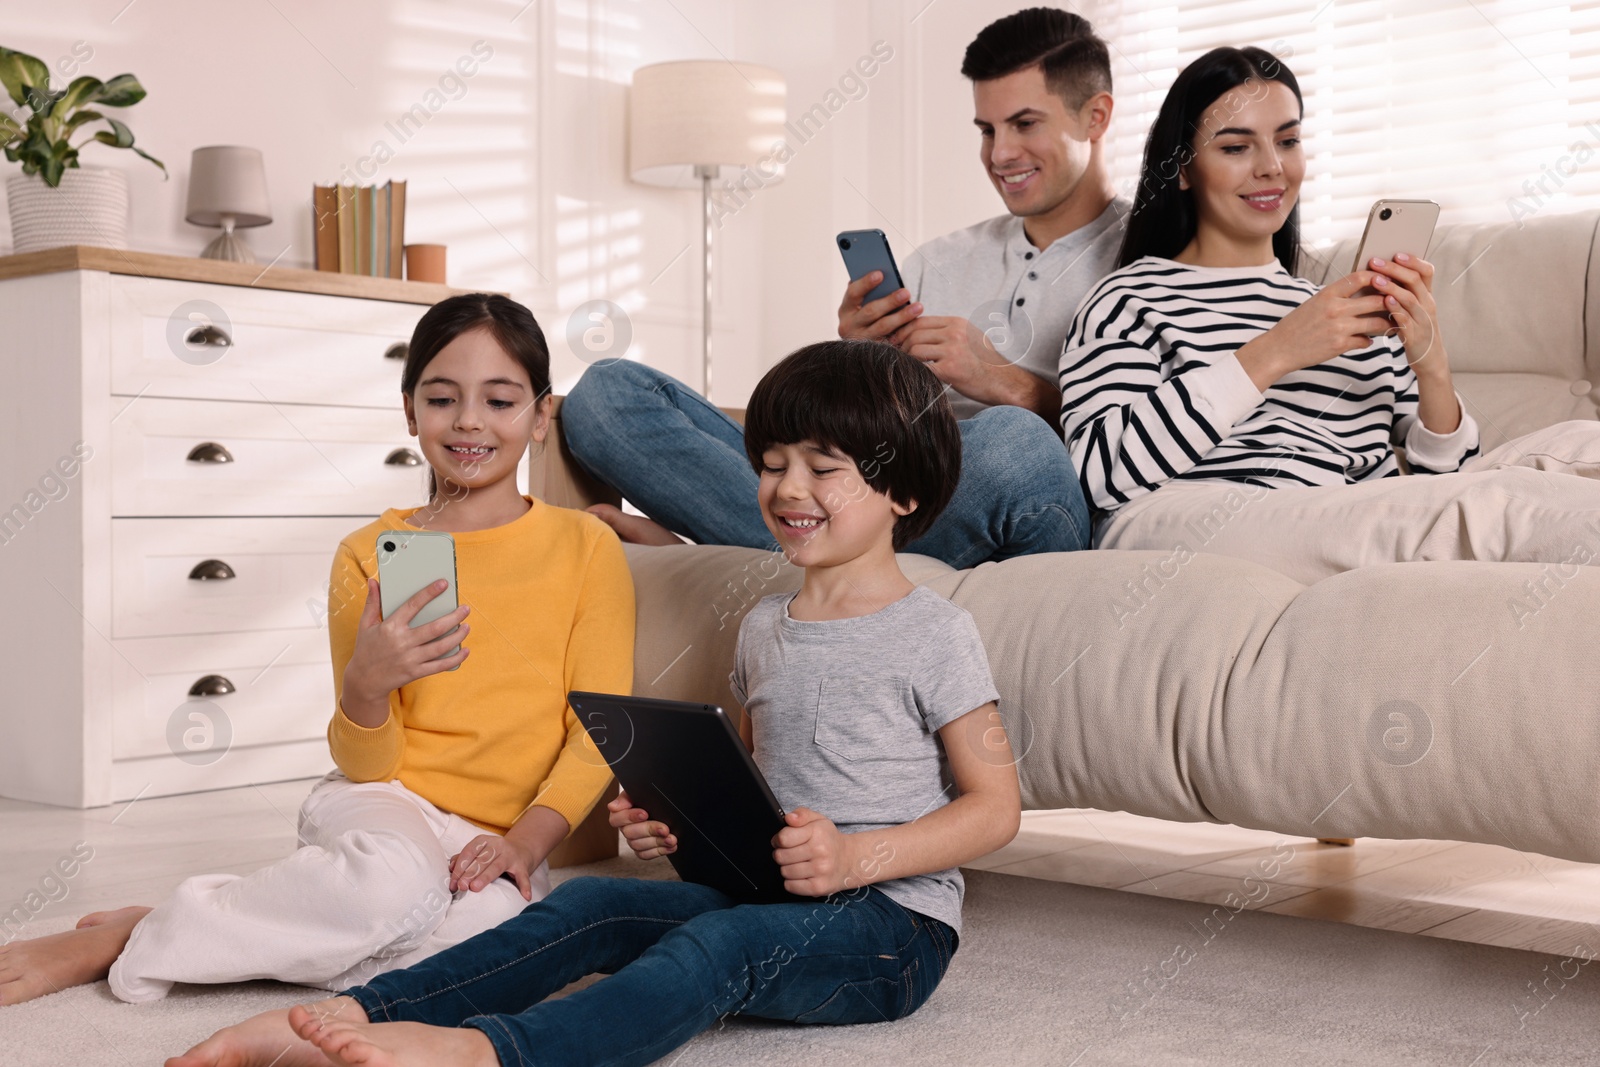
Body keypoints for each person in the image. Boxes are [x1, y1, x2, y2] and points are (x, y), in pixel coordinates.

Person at [166, 339, 1021, 1067]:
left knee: (714, 948)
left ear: (903, 492)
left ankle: (491, 1050)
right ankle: (365, 1011)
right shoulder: (767, 627)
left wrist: (859, 858)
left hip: (891, 927)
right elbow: (758, 789)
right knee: (591, 902)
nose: (788, 488)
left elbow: (996, 811)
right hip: (774, 892)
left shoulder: (935, 632)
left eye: (822, 468)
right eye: (770, 464)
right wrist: (675, 827)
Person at [0, 294, 634, 1006]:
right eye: (442, 397)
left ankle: (192, 925)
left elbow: (599, 733)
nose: (469, 421)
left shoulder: (587, 549)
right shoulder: (365, 556)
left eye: (500, 399)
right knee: (394, 883)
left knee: (487, 943)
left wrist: (524, 842)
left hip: (509, 832)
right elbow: (369, 763)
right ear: (408, 409)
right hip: (385, 803)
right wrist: (366, 686)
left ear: (542, 415)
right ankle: (131, 938)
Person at [561, 7, 1130, 571]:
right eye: (987, 129)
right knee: (606, 393)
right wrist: (861, 368)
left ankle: (742, 550)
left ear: (1095, 117)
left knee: (1014, 443)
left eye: (1024, 124)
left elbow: (1153, 437)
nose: (1000, 153)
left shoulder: (1149, 258)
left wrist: (1005, 382)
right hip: (873, 488)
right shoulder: (939, 259)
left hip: (1001, 493)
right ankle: (801, 555)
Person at [1058, 45, 1600, 585]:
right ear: (1181, 169)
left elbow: (1446, 477)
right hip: (1195, 516)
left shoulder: (1342, 307)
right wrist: (1278, 350)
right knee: (1485, 512)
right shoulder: (1127, 299)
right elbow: (1101, 478)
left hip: (1352, 515)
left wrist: (1430, 363)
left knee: (1578, 443)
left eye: (1288, 141)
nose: (1272, 167)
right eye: (1236, 147)